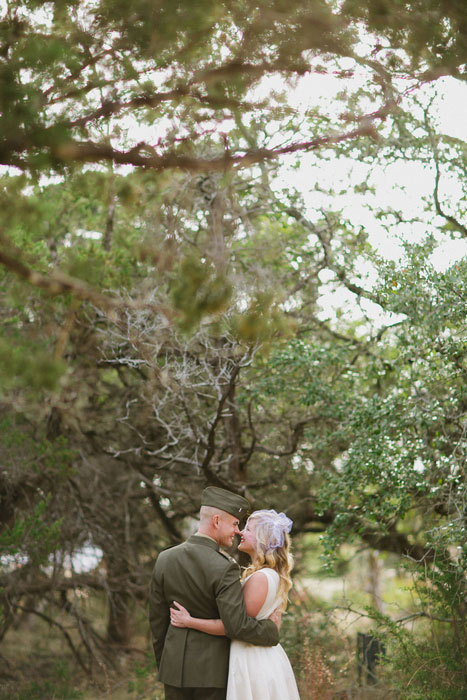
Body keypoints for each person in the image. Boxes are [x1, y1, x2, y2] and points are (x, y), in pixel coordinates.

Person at [149, 487, 280, 700]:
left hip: (172, 669)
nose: (237, 531)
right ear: (216, 521)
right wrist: (270, 630)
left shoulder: (164, 559)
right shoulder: (225, 567)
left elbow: (157, 622)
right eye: (235, 524)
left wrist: (166, 664)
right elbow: (236, 625)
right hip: (212, 673)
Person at [170, 509, 301, 700]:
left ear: (261, 538)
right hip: (259, 655)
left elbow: (235, 626)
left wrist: (190, 621)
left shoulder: (261, 578)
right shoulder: (267, 575)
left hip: (253, 660)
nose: (240, 532)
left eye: (248, 528)